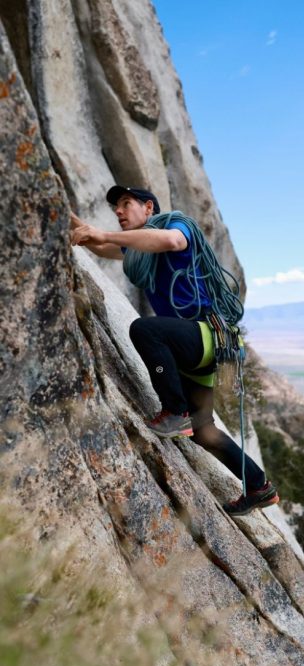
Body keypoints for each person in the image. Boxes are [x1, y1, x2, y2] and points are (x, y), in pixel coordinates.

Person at [70, 186, 278, 516]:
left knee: (145, 329)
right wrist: (78, 227)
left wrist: (102, 232)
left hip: (206, 334)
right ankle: (260, 487)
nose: (120, 211)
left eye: (126, 204)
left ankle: (174, 412)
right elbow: (105, 247)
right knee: (203, 431)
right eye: (116, 208)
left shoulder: (176, 224)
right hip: (196, 345)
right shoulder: (140, 250)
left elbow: (171, 242)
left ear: (148, 207)